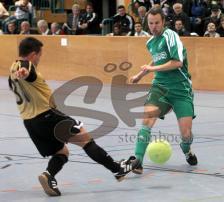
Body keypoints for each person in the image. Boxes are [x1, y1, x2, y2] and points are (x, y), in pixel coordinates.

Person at [8, 37, 139, 196]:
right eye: (39, 56)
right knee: (86, 140)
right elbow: (27, 72)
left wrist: (20, 73)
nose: (39, 59)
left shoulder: (12, 70)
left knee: (62, 152)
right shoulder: (25, 66)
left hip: (30, 123)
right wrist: (25, 72)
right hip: (48, 116)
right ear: (33, 54)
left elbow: (21, 75)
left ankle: (48, 175)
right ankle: (118, 170)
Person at [130, 7, 198, 174]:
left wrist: (151, 70)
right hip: (160, 87)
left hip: (180, 89)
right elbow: (155, 59)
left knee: (186, 133)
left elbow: (177, 63)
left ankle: (186, 149)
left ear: (163, 22)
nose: (154, 27)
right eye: (151, 23)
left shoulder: (171, 36)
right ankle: (137, 160)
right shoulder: (150, 42)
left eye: (157, 23)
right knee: (147, 119)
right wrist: (140, 74)